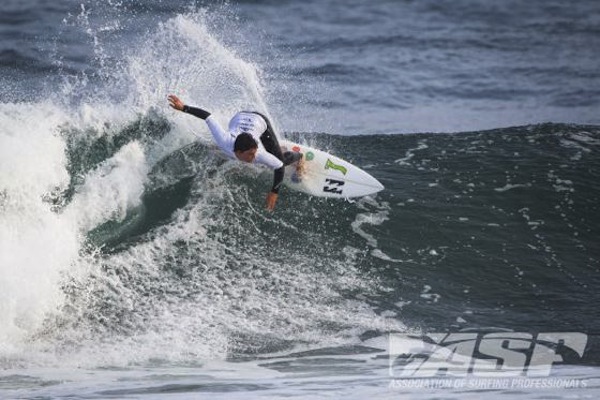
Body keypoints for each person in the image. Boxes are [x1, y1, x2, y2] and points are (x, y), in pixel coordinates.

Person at [167, 94, 303, 211]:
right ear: (238, 152)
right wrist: (183, 108)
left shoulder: (258, 153)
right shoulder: (223, 140)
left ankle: (300, 158)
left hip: (259, 121)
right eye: (250, 154)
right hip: (240, 116)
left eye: (254, 153)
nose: (253, 157)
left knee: (280, 160)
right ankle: (277, 148)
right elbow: (207, 116)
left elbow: (279, 167)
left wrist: (274, 192)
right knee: (218, 151)